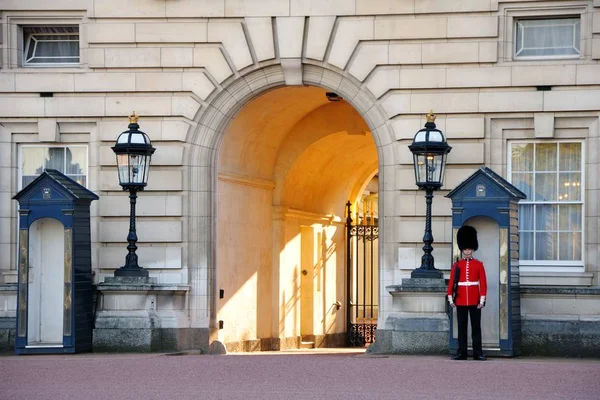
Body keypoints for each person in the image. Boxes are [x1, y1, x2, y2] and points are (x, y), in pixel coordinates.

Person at [447, 225, 488, 361]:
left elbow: (483, 283)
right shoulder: (457, 265)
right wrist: (450, 299)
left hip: (475, 300)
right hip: (460, 299)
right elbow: (452, 282)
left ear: (473, 249)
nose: (467, 251)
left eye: (469, 249)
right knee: (462, 328)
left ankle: (478, 353)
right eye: (465, 249)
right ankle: (462, 352)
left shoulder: (479, 264)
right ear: (462, 249)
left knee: (476, 327)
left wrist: (482, 300)